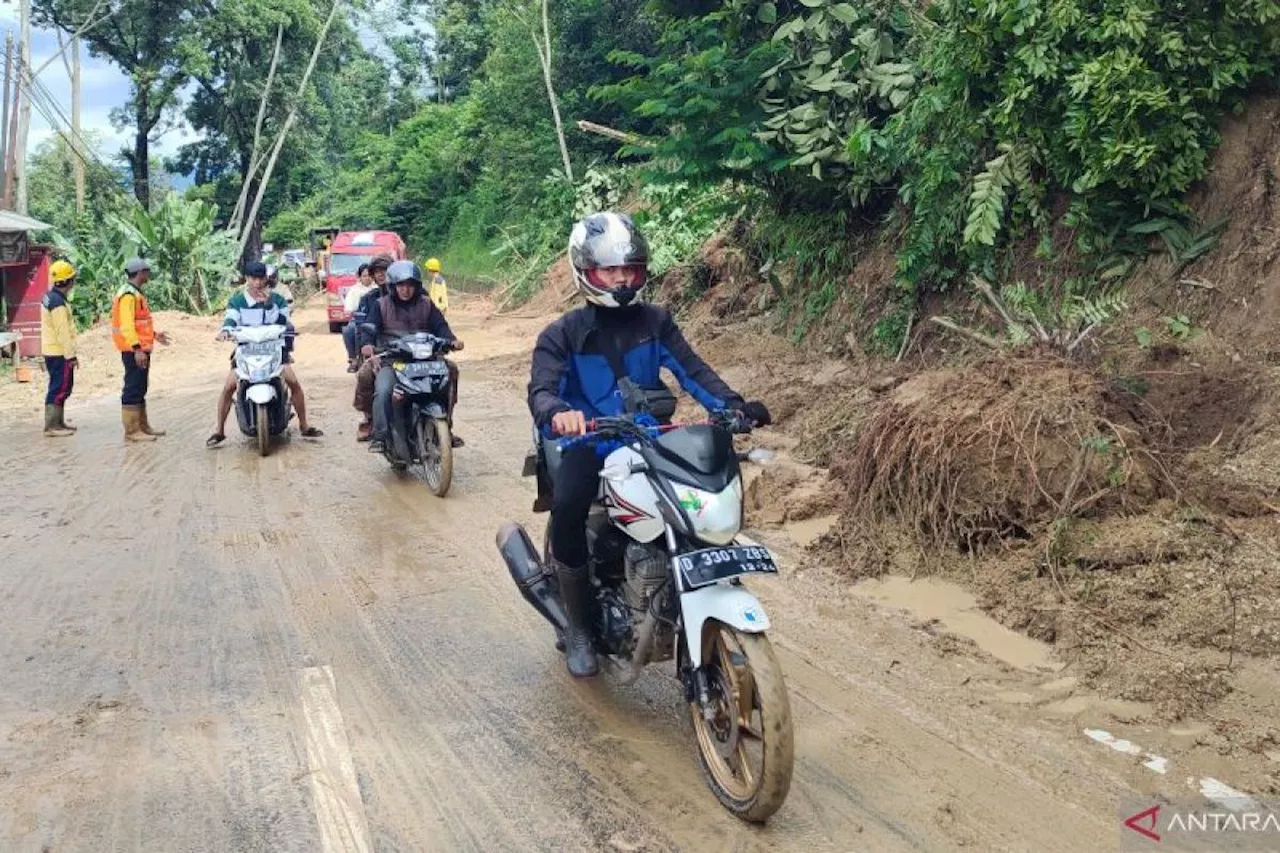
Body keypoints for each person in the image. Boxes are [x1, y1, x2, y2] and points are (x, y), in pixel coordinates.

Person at [527, 212, 771, 678]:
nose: (621, 279)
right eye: (610, 270)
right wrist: (559, 412)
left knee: (693, 502)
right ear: (586, 272)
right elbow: (542, 388)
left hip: (650, 436)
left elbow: (692, 371)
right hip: (589, 440)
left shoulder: (655, 321)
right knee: (570, 509)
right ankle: (578, 628)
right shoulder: (563, 333)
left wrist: (733, 406)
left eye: (630, 269)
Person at [206, 262, 324, 447]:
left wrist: (269, 305)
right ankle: (219, 430)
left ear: (266, 279)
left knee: (293, 382)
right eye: (254, 278)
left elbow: (285, 322)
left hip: (274, 350)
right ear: (247, 279)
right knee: (229, 386)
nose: (258, 283)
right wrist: (225, 331)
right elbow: (230, 319)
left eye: (261, 278)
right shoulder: (237, 301)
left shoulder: (277, 300)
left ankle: (304, 424)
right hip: (246, 350)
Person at [356, 260, 465, 453]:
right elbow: (369, 328)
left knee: (450, 372)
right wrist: (367, 344)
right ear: (393, 286)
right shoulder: (381, 305)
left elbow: (440, 326)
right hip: (393, 361)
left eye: (410, 285)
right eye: (401, 285)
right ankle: (380, 435)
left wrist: (452, 340)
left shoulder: (426, 304)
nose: (405, 289)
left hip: (425, 360)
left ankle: (445, 426)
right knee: (383, 390)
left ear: (416, 286)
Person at [112, 257, 171, 442]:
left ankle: (143, 426)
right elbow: (127, 325)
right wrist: (136, 349)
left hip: (140, 347)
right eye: (146, 271)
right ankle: (132, 430)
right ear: (139, 273)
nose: (148, 274)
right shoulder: (129, 296)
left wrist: (154, 335)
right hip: (133, 350)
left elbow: (139, 323)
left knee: (140, 387)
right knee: (133, 387)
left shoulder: (135, 293)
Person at [39, 259, 79, 437]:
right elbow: (62, 331)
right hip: (59, 352)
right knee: (60, 387)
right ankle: (52, 426)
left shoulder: (50, 297)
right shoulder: (58, 304)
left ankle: (58, 422)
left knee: (59, 386)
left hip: (51, 350)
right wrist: (71, 356)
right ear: (69, 281)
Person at [342, 263, 375, 372]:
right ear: (360, 277)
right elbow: (349, 307)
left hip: (374, 317)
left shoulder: (377, 288)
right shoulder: (354, 290)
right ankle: (353, 358)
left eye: (369, 275)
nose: (367, 278)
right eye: (364, 275)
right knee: (349, 330)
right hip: (359, 317)